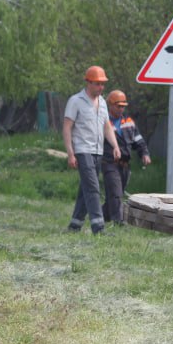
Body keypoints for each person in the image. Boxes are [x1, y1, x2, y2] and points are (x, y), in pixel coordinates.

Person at [62, 65, 120, 234]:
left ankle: (75, 225)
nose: (101, 87)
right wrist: (70, 153)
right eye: (97, 84)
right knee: (93, 187)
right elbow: (67, 128)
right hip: (82, 150)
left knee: (85, 189)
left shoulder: (102, 102)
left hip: (98, 151)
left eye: (103, 84)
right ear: (88, 83)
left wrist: (115, 146)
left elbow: (107, 127)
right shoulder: (75, 101)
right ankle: (98, 227)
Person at [100, 89, 151, 225]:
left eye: (123, 106)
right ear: (110, 105)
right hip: (109, 163)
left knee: (114, 195)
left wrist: (144, 153)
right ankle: (119, 222)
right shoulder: (104, 122)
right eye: (118, 106)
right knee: (116, 194)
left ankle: (100, 216)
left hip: (125, 166)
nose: (121, 109)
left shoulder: (129, 122)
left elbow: (138, 140)